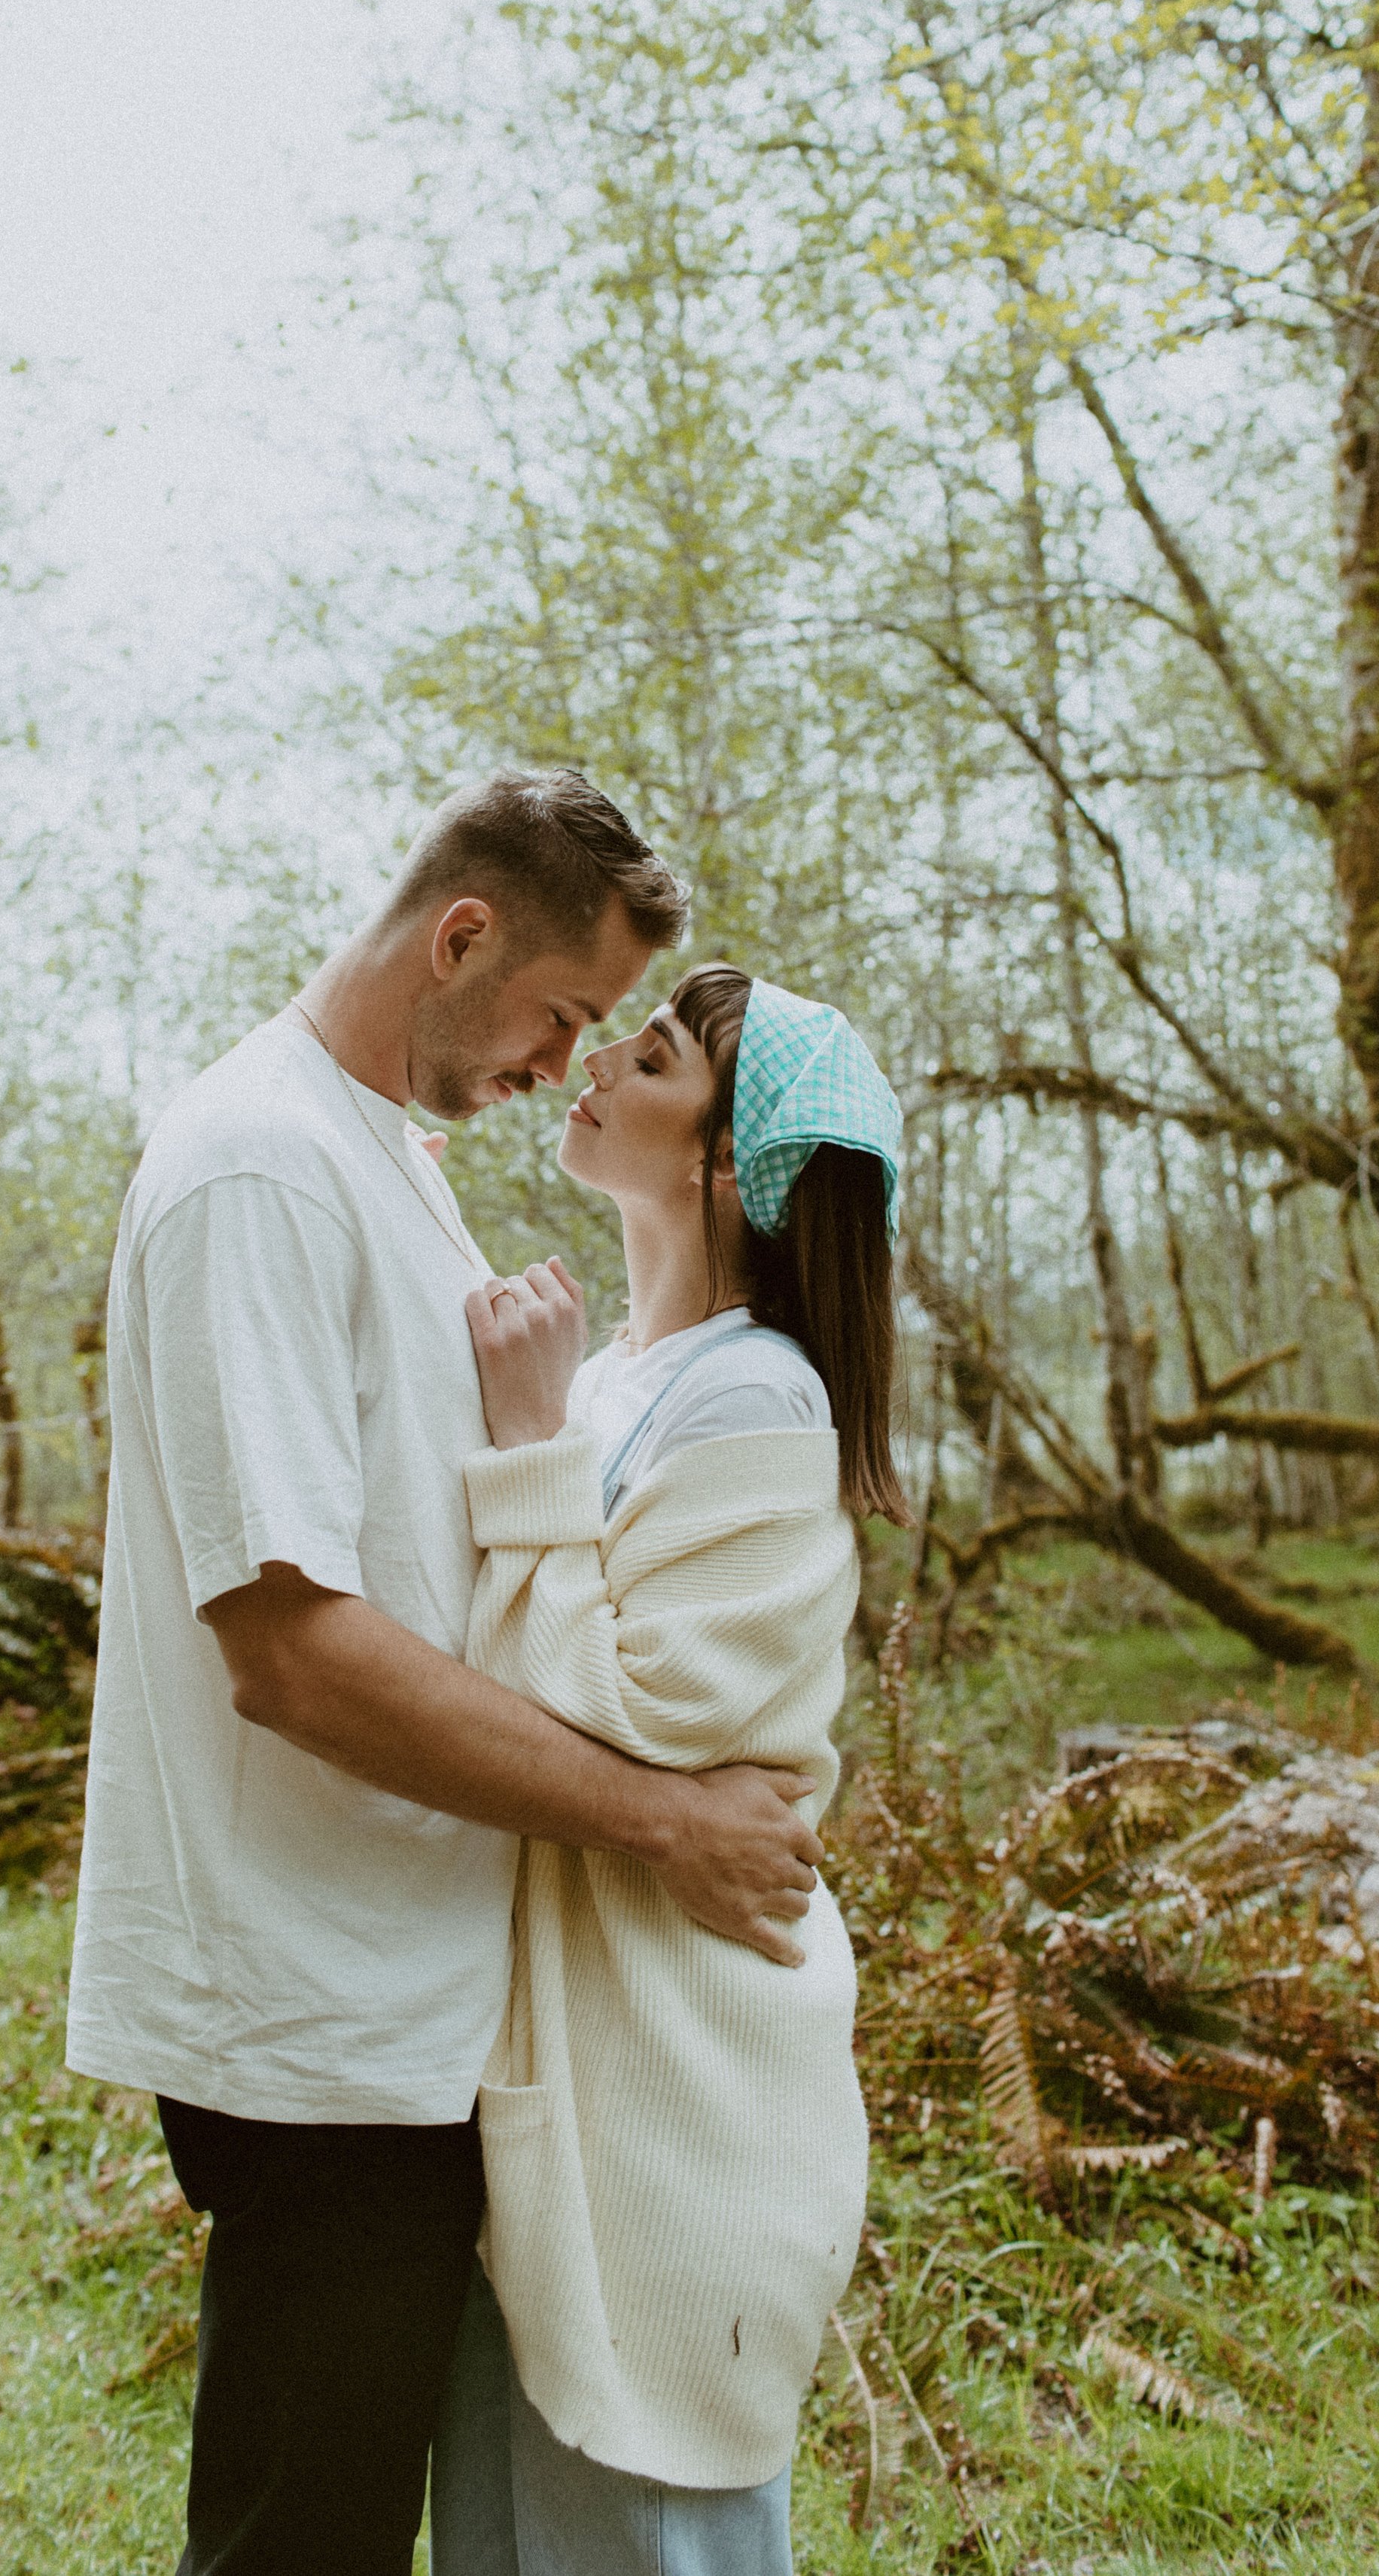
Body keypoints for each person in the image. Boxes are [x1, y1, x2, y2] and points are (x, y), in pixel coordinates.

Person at [65, 772, 829, 2576]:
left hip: (412, 2002)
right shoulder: (259, 1165)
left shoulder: (384, 1157)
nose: (562, 1064)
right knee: (298, 2543)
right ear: (460, 935)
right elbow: (294, 1656)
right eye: (564, 1016)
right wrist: (662, 1824)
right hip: (312, 2010)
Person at [428, 961, 909, 2576]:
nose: (588, 1069)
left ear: (727, 1168)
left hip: (675, 2077)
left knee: (644, 2527)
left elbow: (637, 1713)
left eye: (644, 1062)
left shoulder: (756, 1395)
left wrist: (523, 1448)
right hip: (574, 2051)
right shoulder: (632, 1378)